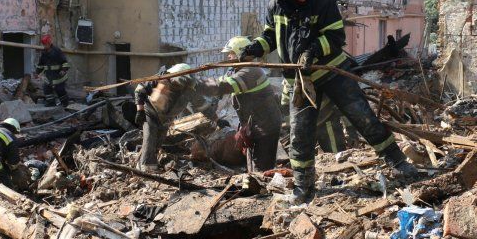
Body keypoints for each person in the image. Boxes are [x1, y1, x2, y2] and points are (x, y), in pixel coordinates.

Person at [240, 0, 417, 204]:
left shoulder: (323, 0)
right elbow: (271, 36)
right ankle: (303, 189)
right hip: (300, 81)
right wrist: (254, 48)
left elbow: (336, 37)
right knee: (299, 134)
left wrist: (313, 50)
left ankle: (399, 163)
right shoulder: (274, 7)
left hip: (331, 72)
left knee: (362, 116)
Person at [200, 36, 282, 172]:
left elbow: (224, 85)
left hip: (265, 126)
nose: (229, 57)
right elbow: (222, 81)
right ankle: (257, 183)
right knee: (252, 163)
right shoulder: (236, 70)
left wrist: (198, 84)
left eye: (231, 53)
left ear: (240, 53)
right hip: (254, 124)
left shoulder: (251, 71)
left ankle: (265, 189)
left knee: (262, 167)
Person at [134, 64, 217, 172]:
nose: (179, 87)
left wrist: (213, 116)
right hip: (150, 112)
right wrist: (140, 111)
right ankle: (145, 167)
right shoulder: (159, 79)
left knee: (158, 141)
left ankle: (150, 164)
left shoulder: (189, 89)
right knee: (150, 137)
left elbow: (200, 104)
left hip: (167, 118)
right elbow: (140, 90)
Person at [281, 81, 345, 154]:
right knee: (303, 155)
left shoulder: (314, 74)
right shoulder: (290, 79)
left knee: (336, 154)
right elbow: (285, 105)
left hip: (325, 121)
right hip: (306, 125)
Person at [35, 34, 70, 107]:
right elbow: (41, 64)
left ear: (49, 43)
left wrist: (63, 70)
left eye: (46, 44)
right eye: (43, 44)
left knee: (60, 90)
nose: (44, 46)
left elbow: (65, 62)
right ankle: (51, 102)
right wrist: (37, 72)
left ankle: (65, 103)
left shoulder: (57, 51)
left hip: (58, 76)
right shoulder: (44, 53)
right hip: (49, 75)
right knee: (46, 88)